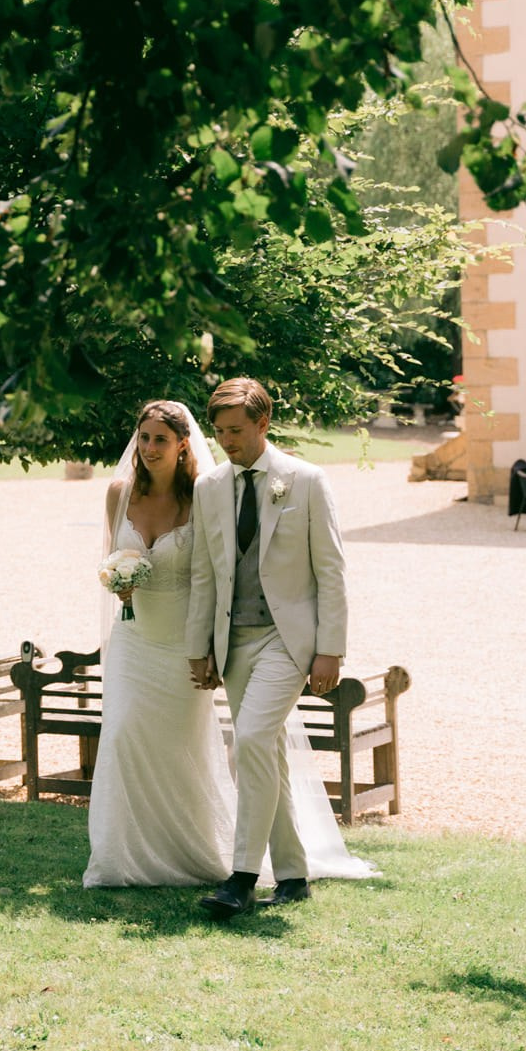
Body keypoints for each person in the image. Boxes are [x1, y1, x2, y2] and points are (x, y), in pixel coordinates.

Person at [184, 376, 367, 919]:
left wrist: (330, 649)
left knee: (253, 740)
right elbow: (203, 574)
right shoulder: (209, 487)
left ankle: (240, 877)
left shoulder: (306, 481)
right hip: (233, 640)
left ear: (264, 424)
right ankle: (292, 874)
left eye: (236, 430)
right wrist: (200, 646)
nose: (226, 441)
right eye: (218, 432)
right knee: (267, 755)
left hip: (289, 640)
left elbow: (330, 572)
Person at [83, 400, 232, 886]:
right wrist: (117, 581)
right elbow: (110, 558)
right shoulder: (118, 494)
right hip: (132, 639)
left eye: (160, 439)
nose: (148, 448)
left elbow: (214, 577)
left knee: (179, 747)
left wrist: (208, 648)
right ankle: (119, 859)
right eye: (143, 437)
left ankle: (193, 855)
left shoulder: (201, 498)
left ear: (183, 444)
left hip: (181, 644)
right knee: (123, 732)